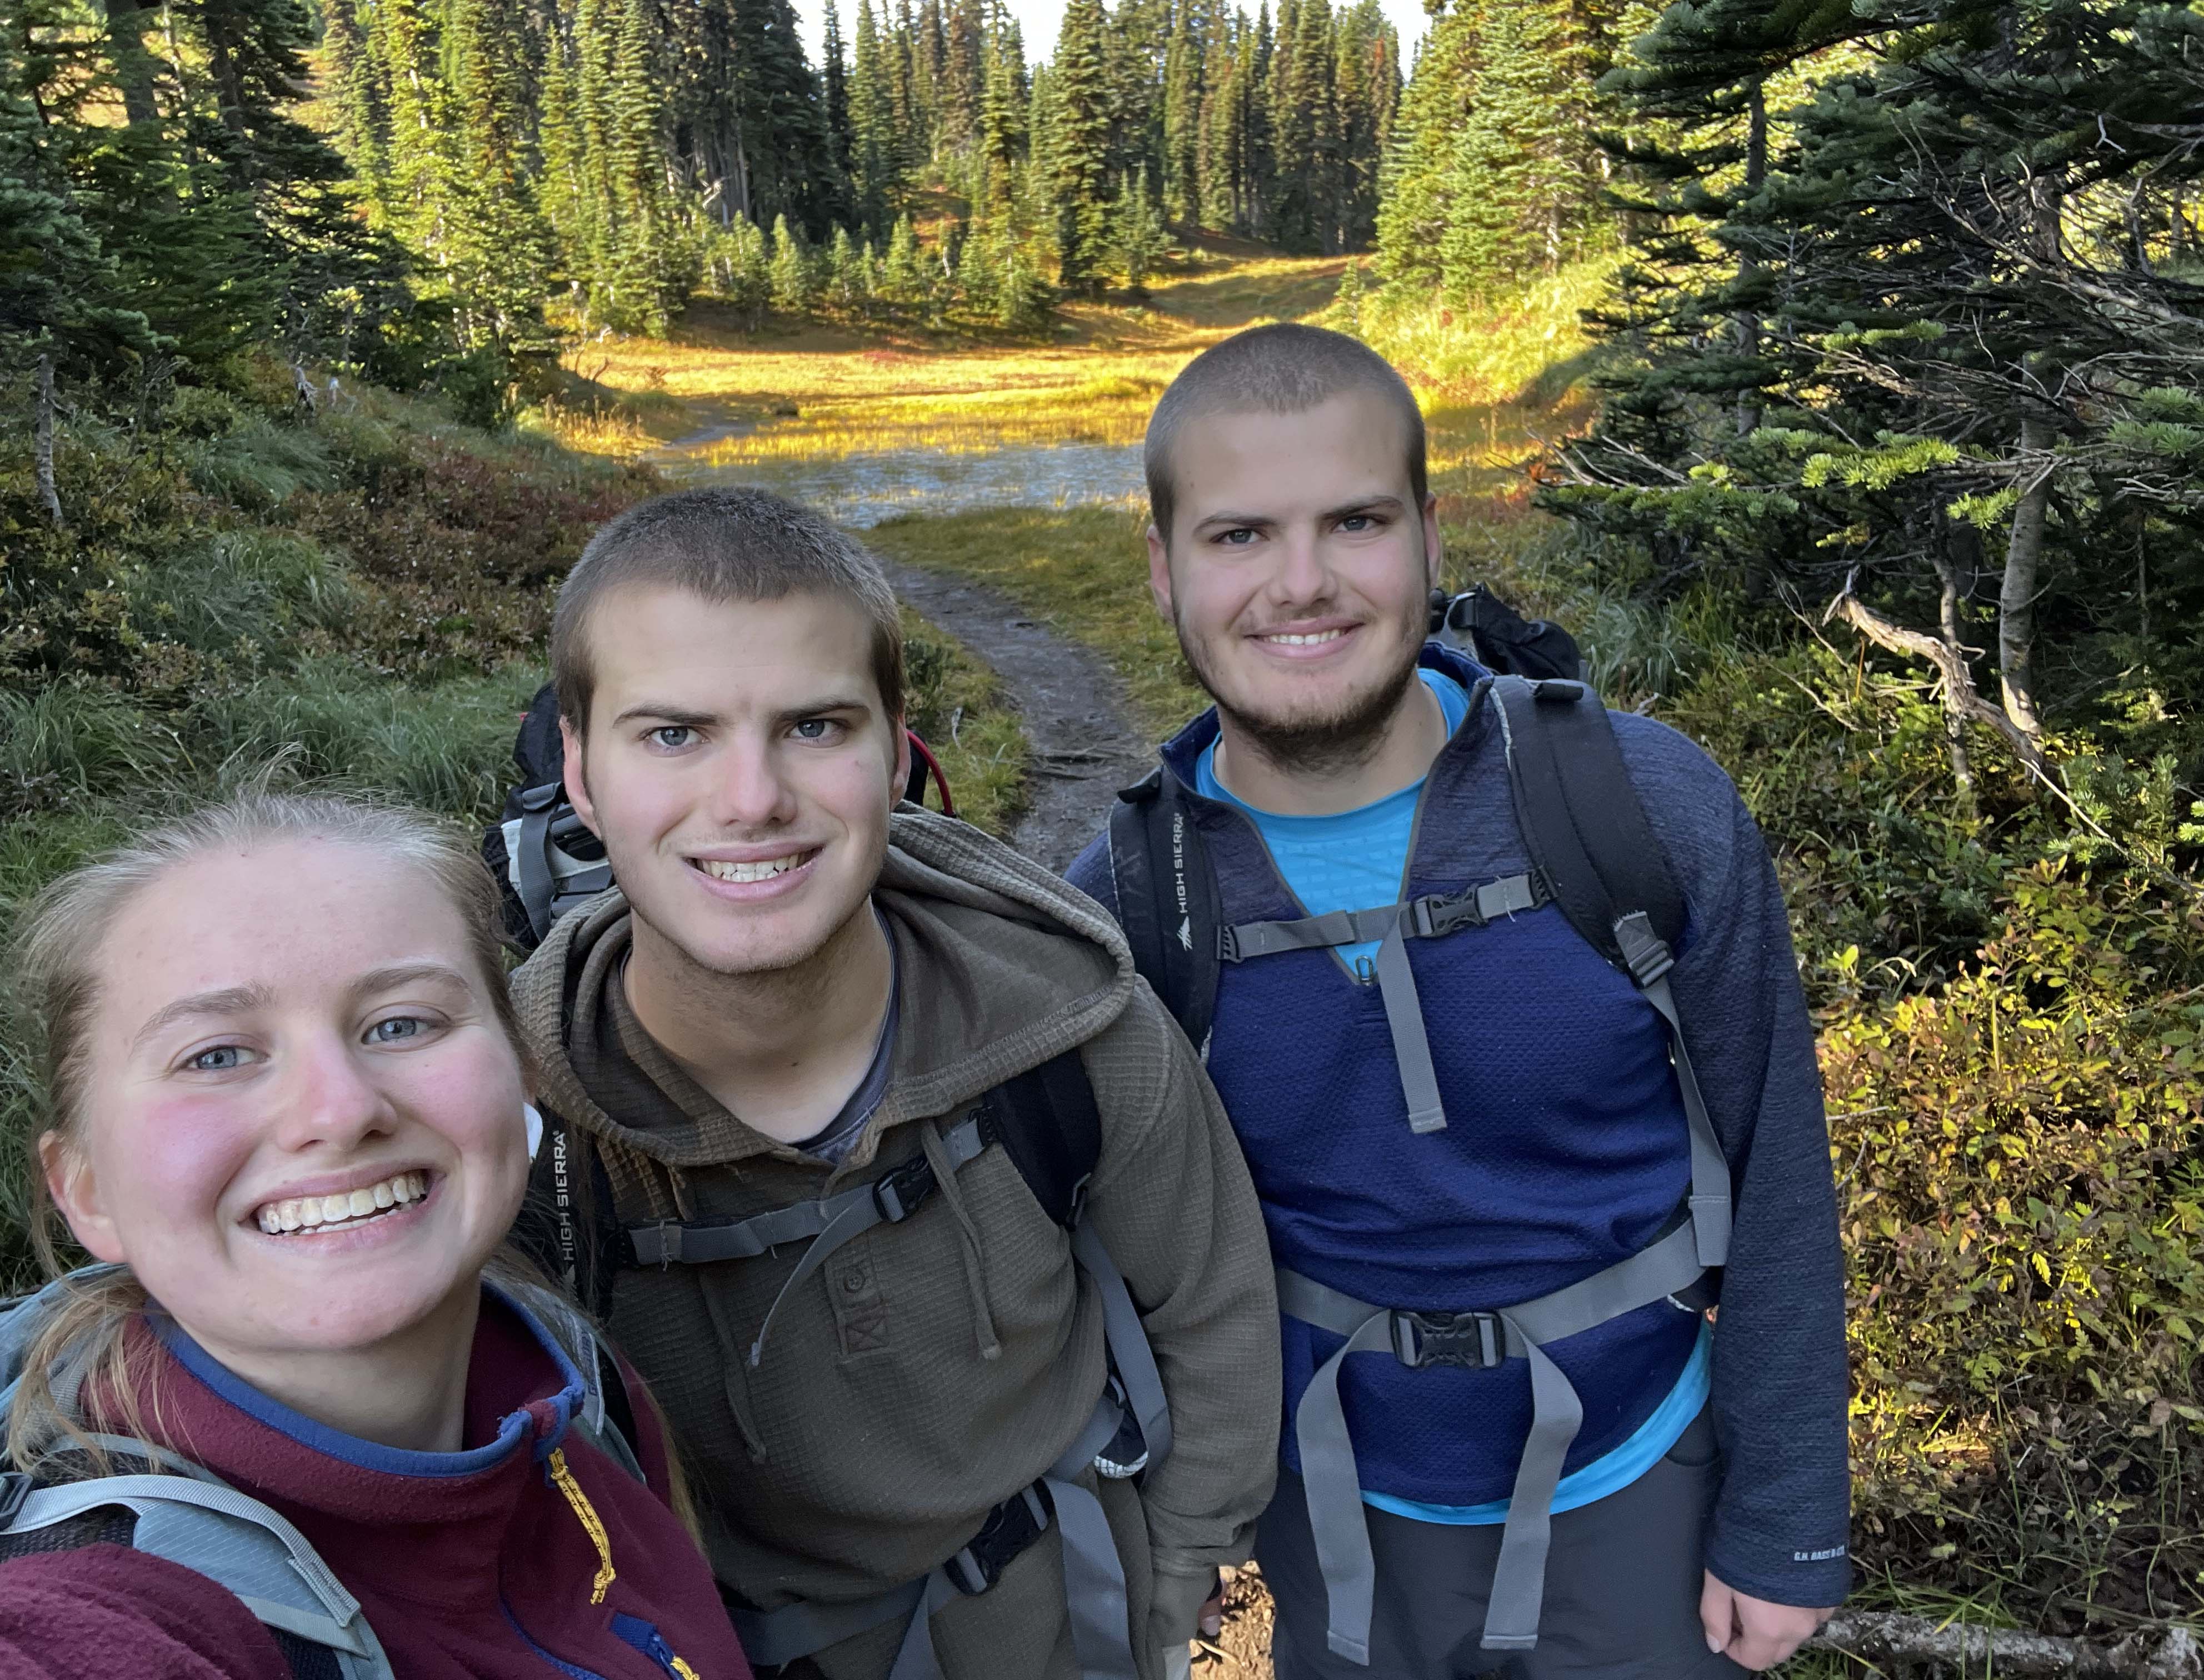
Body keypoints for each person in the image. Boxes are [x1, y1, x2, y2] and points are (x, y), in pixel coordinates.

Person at [1066, 324, 1852, 1679]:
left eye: (1355, 522)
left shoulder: (1635, 807)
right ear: (1161, 571)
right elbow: (1106, 1250)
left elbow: (1778, 1162)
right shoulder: (1130, 897)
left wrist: (1786, 1520)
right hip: (1337, 1509)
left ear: (1431, 540)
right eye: (1240, 535)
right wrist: (1161, 1510)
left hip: (1644, 1466)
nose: (1301, 585)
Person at [507, 486, 1280, 1680]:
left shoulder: (1072, 1027)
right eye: (674, 735)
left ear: (894, 744)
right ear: (580, 769)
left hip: (1076, 1621)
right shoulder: (512, 1135)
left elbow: (1217, 1327)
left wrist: (1216, 1648)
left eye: (815, 726)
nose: (753, 798)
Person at [0, 790, 751, 1680]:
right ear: (86, 1191)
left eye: (402, 1024)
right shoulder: (98, 1597)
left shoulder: (572, 1377)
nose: (341, 1110)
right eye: (217, 1055)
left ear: (524, 1075)